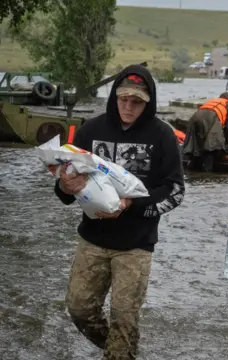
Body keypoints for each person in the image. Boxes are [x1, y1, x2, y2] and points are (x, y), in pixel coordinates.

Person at [54, 64, 185, 359]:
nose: (128, 106)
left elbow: (175, 192)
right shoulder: (91, 129)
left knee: (124, 319)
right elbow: (63, 190)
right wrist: (65, 184)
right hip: (93, 238)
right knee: (79, 308)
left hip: (136, 245)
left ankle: (121, 350)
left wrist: (131, 204)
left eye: (136, 101)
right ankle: (120, 349)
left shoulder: (162, 135)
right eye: (123, 99)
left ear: (148, 102)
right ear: (114, 97)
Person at [182, 91, 228, 171]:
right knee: (211, 147)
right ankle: (208, 175)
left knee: (196, 146)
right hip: (211, 117)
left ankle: (193, 172)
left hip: (195, 117)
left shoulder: (214, 101)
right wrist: (227, 143)